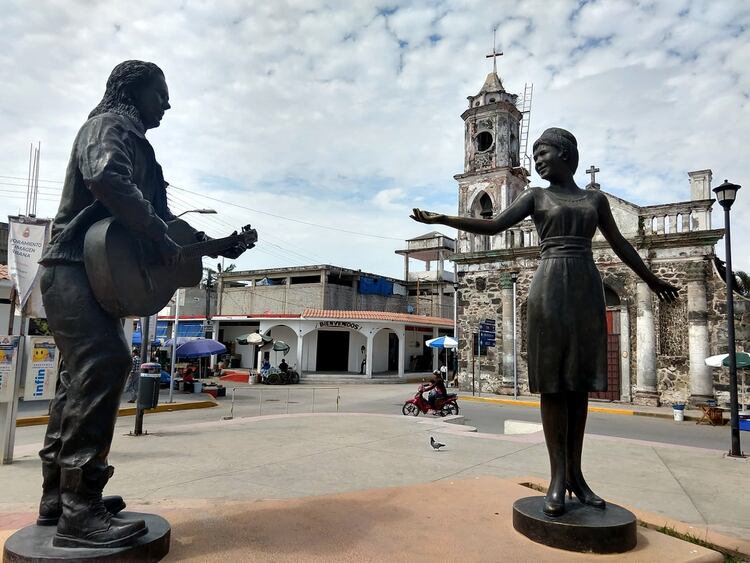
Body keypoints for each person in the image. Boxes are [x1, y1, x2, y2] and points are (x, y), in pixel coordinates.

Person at [411, 127, 678, 517]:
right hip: (549, 284)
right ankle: (557, 478)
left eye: (544, 153)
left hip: (586, 286)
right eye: (534, 154)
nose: (537, 161)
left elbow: (620, 245)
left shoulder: (595, 199)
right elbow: (492, 225)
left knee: (580, 384)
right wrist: (443, 218)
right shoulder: (535, 196)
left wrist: (651, 280)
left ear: (568, 156)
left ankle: (577, 477)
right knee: (554, 384)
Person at [36, 60, 247, 548]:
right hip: (73, 266)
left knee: (78, 380)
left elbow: (166, 221)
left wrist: (217, 246)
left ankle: (61, 497)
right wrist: (155, 231)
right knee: (105, 367)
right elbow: (108, 180)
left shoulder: (137, 144)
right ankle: (79, 510)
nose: (168, 104)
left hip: (96, 273)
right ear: (134, 91)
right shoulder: (108, 127)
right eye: (161, 94)